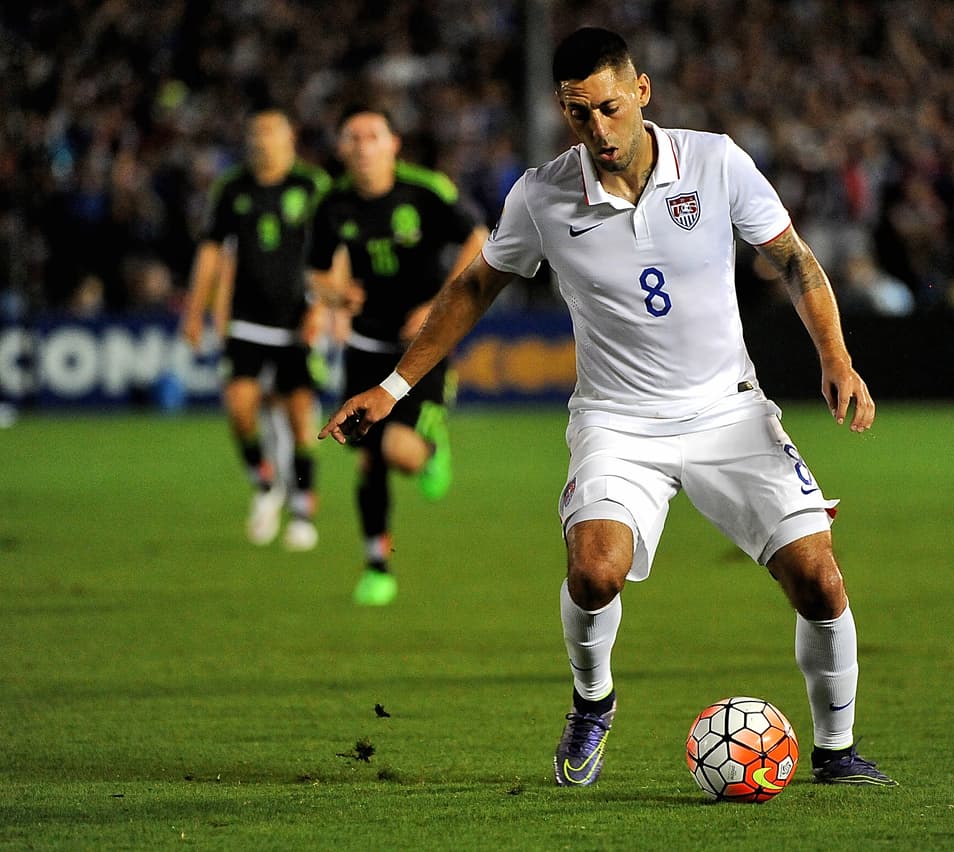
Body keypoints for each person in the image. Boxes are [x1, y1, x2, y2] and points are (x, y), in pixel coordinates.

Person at [320, 28, 896, 788]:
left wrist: (836, 356)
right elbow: (471, 287)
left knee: (819, 579)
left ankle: (837, 752)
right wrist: (392, 389)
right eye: (577, 114)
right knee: (594, 572)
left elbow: (792, 258)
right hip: (618, 423)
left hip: (729, 412)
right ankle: (593, 701)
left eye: (609, 108)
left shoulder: (716, 161)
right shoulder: (542, 194)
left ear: (643, 93)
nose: (597, 130)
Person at [308, 106, 488, 607]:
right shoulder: (331, 204)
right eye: (353, 136)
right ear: (342, 149)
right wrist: (335, 296)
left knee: (398, 452)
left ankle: (432, 450)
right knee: (367, 460)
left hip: (420, 347)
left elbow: (479, 237)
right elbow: (317, 275)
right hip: (364, 346)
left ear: (393, 144)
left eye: (373, 135)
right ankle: (376, 566)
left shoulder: (426, 191)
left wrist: (438, 306)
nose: (363, 145)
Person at [182, 107, 331, 551]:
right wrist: (195, 310)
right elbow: (211, 250)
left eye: (269, 132)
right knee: (239, 408)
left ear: (289, 139)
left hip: (296, 318)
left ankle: (303, 507)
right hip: (246, 318)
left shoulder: (312, 186)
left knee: (299, 413)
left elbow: (331, 251)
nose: (260, 141)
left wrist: (321, 309)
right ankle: (266, 484)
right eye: (254, 132)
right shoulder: (233, 188)